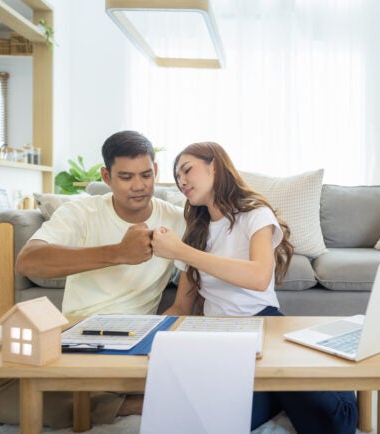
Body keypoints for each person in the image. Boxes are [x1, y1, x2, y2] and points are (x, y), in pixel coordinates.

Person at [0, 130, 186, 428]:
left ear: (155, 171)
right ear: (106, 176)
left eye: (145, 175)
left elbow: (196, 284)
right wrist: (118, 253)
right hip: (74, 333)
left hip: (135, 337)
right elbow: (28, 262)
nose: (139, 186)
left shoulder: (177, 219)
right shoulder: (81, 211)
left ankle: (89, 400)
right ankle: (120, 405)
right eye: (126, 177)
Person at [151, 141, 358, 434]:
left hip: (263, 323)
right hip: (219, 336)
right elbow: (182, 307)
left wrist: (180, 252)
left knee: (335, 424)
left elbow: (259, 276)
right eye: (177, 178)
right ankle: (278, 389)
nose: (182, 181)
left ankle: (332, 380)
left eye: (187, 170)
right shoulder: (195, 234)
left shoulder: (255, 214)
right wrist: (148, 336)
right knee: (215, 422)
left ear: (214, 165)